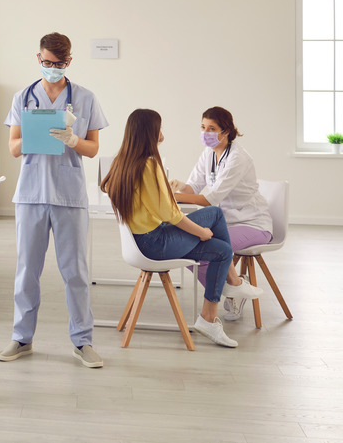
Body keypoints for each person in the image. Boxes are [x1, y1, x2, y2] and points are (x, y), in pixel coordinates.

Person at [100, 109, 263, 347]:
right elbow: (171, 214)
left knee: (222, 250)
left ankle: (212, 313)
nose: (163, 135)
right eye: (160, 129)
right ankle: (229, 290)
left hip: (140, 243)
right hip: (155, 243)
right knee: (216, 216)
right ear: (150, 133)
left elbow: (156, 206)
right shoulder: (150, 165)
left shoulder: (121, 163)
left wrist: (167, 192)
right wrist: (201, 232)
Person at [0, 32, 108, 368]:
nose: (53, 69)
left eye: (59, 64)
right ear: (38, 59)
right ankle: (21, 338)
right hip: (31, 194)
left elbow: (93, 148)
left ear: (69, 62)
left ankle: (83, 341)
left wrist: (73, 139)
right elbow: (13, 148)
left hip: (69, 195)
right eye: (47, 63)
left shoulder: (85, 98)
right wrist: (33, 137)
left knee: (74, 271)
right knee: (27, 269)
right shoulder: (23, 97)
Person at [171, 106, 271, 321]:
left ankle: (230, 293)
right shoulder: (208, 153)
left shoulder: (238, 158)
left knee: (209, 249)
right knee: (185, 248)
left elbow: (210, 199)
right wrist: (178, 186)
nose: (206, 133)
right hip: (223, 223)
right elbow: (194, 189)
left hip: (251, 223)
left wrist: (172, 198)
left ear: (226, 131)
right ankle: (234, 288)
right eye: (203, 127)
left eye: (212, 128)